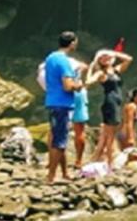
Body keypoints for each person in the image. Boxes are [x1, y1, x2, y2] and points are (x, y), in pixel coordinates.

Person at [43, 31, 84, 183]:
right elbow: (67, 86)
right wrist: (78, 85)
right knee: (59, 142)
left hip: (52, 101)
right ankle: (51, 176)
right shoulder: (64, 61)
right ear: (72, 43)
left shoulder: (50, 57)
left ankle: (65, 173)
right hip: (63, 104)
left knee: (59, 138)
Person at [87, 49, 133, 164]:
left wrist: (113, 53)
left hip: (116, 103)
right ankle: (109, 161)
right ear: (99, 61)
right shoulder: (101, 73)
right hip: (110, 103)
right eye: (102, 58)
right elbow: (88, 82)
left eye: (107, 57)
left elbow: (129, 59)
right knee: (110, 134)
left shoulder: (115, 71)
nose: (106, 59)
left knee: (106, 134)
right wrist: (91, 68)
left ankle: (95, 159)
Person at [70, 59, 92, 170]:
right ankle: (78, 160)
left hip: (66, 94)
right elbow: (85, 66)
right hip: (78, 93)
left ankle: (54, 159)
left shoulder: (57, 64)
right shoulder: (76, 65)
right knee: (79, 130)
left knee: (56, 129)